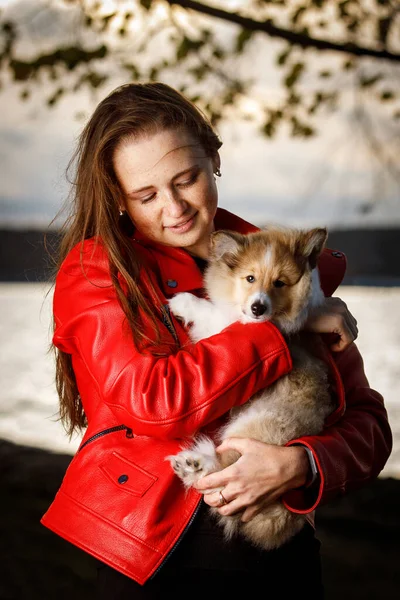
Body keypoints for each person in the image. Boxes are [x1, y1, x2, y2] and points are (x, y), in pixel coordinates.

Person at [41, 82, 392, 599]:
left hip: (280, 559)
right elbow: (157, 403)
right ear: (118, 196)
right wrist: (278, 324)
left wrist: (302, 464)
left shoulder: (283, 268)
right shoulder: (98, 273)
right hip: (157, 562)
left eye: (187, 179)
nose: (175, 207)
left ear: (214, 157)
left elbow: (369, 425)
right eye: (146, 194)